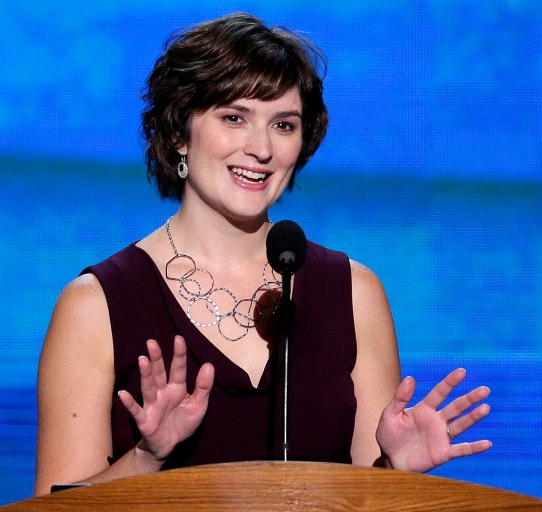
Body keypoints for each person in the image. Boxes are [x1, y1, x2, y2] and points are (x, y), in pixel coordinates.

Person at [33, 12, 492, 496]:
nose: (262, 148)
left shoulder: (354, 293)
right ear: (177, 132)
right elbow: (48, 509)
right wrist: (149, 457)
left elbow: (362, 499)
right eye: (234, 118)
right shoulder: (96, 305)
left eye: (284, 124)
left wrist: (395, 472)